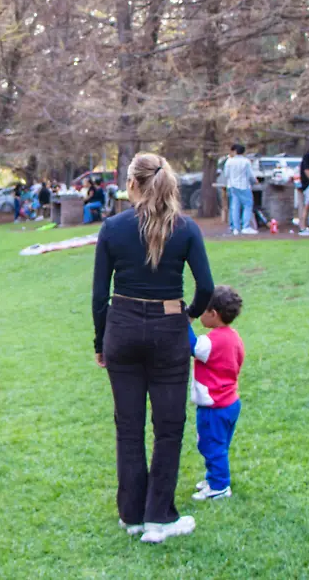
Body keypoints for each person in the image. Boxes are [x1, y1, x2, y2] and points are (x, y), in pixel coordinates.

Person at [92, 153, 214, 544]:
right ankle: (158, 517)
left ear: (131, 184)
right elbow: (206, 287)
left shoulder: (112, 228)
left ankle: (132, 515)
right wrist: (187, 316)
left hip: (122, 328)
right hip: (169, 330)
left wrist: (100, 341)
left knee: (128, 428)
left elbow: (99, 297)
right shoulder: (187, 228)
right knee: (168, 427)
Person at [188, 285, 246, 501]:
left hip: (214, 406)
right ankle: (214, 477)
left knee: (211, 445)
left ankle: (220, 486)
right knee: (219, 444)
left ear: (213, 314)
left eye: (202, 311)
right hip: (230, 402)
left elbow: (193, 345)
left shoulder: (213, 341)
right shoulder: (233, 337)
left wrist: (185, 322)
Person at [222, 143, 258, 235]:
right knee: (247, 205)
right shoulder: (246, 161)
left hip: (232, 186)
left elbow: (226, 175)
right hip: (244, 185)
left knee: (234, 206)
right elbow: (250, 175)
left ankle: (235, 228)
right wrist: (255, 181)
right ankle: (246, 226)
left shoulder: (229, 162)